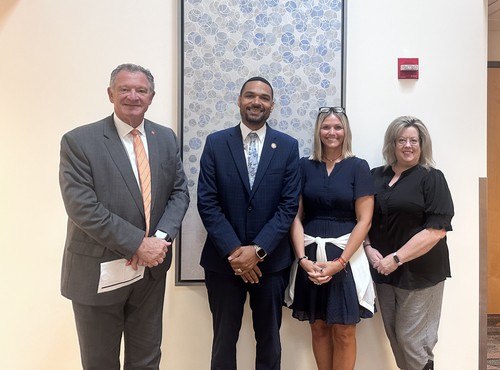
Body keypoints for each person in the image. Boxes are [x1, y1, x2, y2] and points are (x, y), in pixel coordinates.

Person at [59, 63, 190, 370]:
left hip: (150, 273)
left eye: (141, 90)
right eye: (125, 89)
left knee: (146, 360)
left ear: (152, 96)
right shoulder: (80, 142)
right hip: (98, 272)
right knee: (100, 362)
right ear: (110, 94)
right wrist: (136, 244)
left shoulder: (165, 138)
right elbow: (82, 206)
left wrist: (157, 242)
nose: (133, 96)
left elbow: (179, 193)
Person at [197, 76, 300, 370]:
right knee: (223, 340)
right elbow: (207, 201)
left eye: (264, 97)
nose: (257, 102)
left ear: (272, 105)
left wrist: (258, 250)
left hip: (271, 263)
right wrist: (235, 251)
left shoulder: (288, 146)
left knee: (269, 340)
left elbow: (288, 205)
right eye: (250, 96)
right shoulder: (216, 143)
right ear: (239, 100)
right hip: (223, 262)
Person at [286, 107, 375, 370]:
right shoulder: (304, 165)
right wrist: (302, 259)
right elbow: (295, 217)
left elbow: (365, 220)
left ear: (345, 131)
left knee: (345, 331)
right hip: (310, 256)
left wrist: (340, 262)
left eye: (338, 127)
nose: (332, 132)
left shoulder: (358, 167)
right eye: (326, 127)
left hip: (345, 257)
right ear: (318, 131)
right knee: (319, 327)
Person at [364, 116, 454, 370]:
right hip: (383, 272)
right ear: (392, 144)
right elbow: (363, 217)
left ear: (422, 144)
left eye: (414, 140)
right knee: (395, 337)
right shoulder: (376, 176)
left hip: (420, 275)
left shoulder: (432, 178)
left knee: (414, 342)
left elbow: (437, 231)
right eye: (401, 140)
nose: (408, 145)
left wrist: (396, 258)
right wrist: (369, 249)